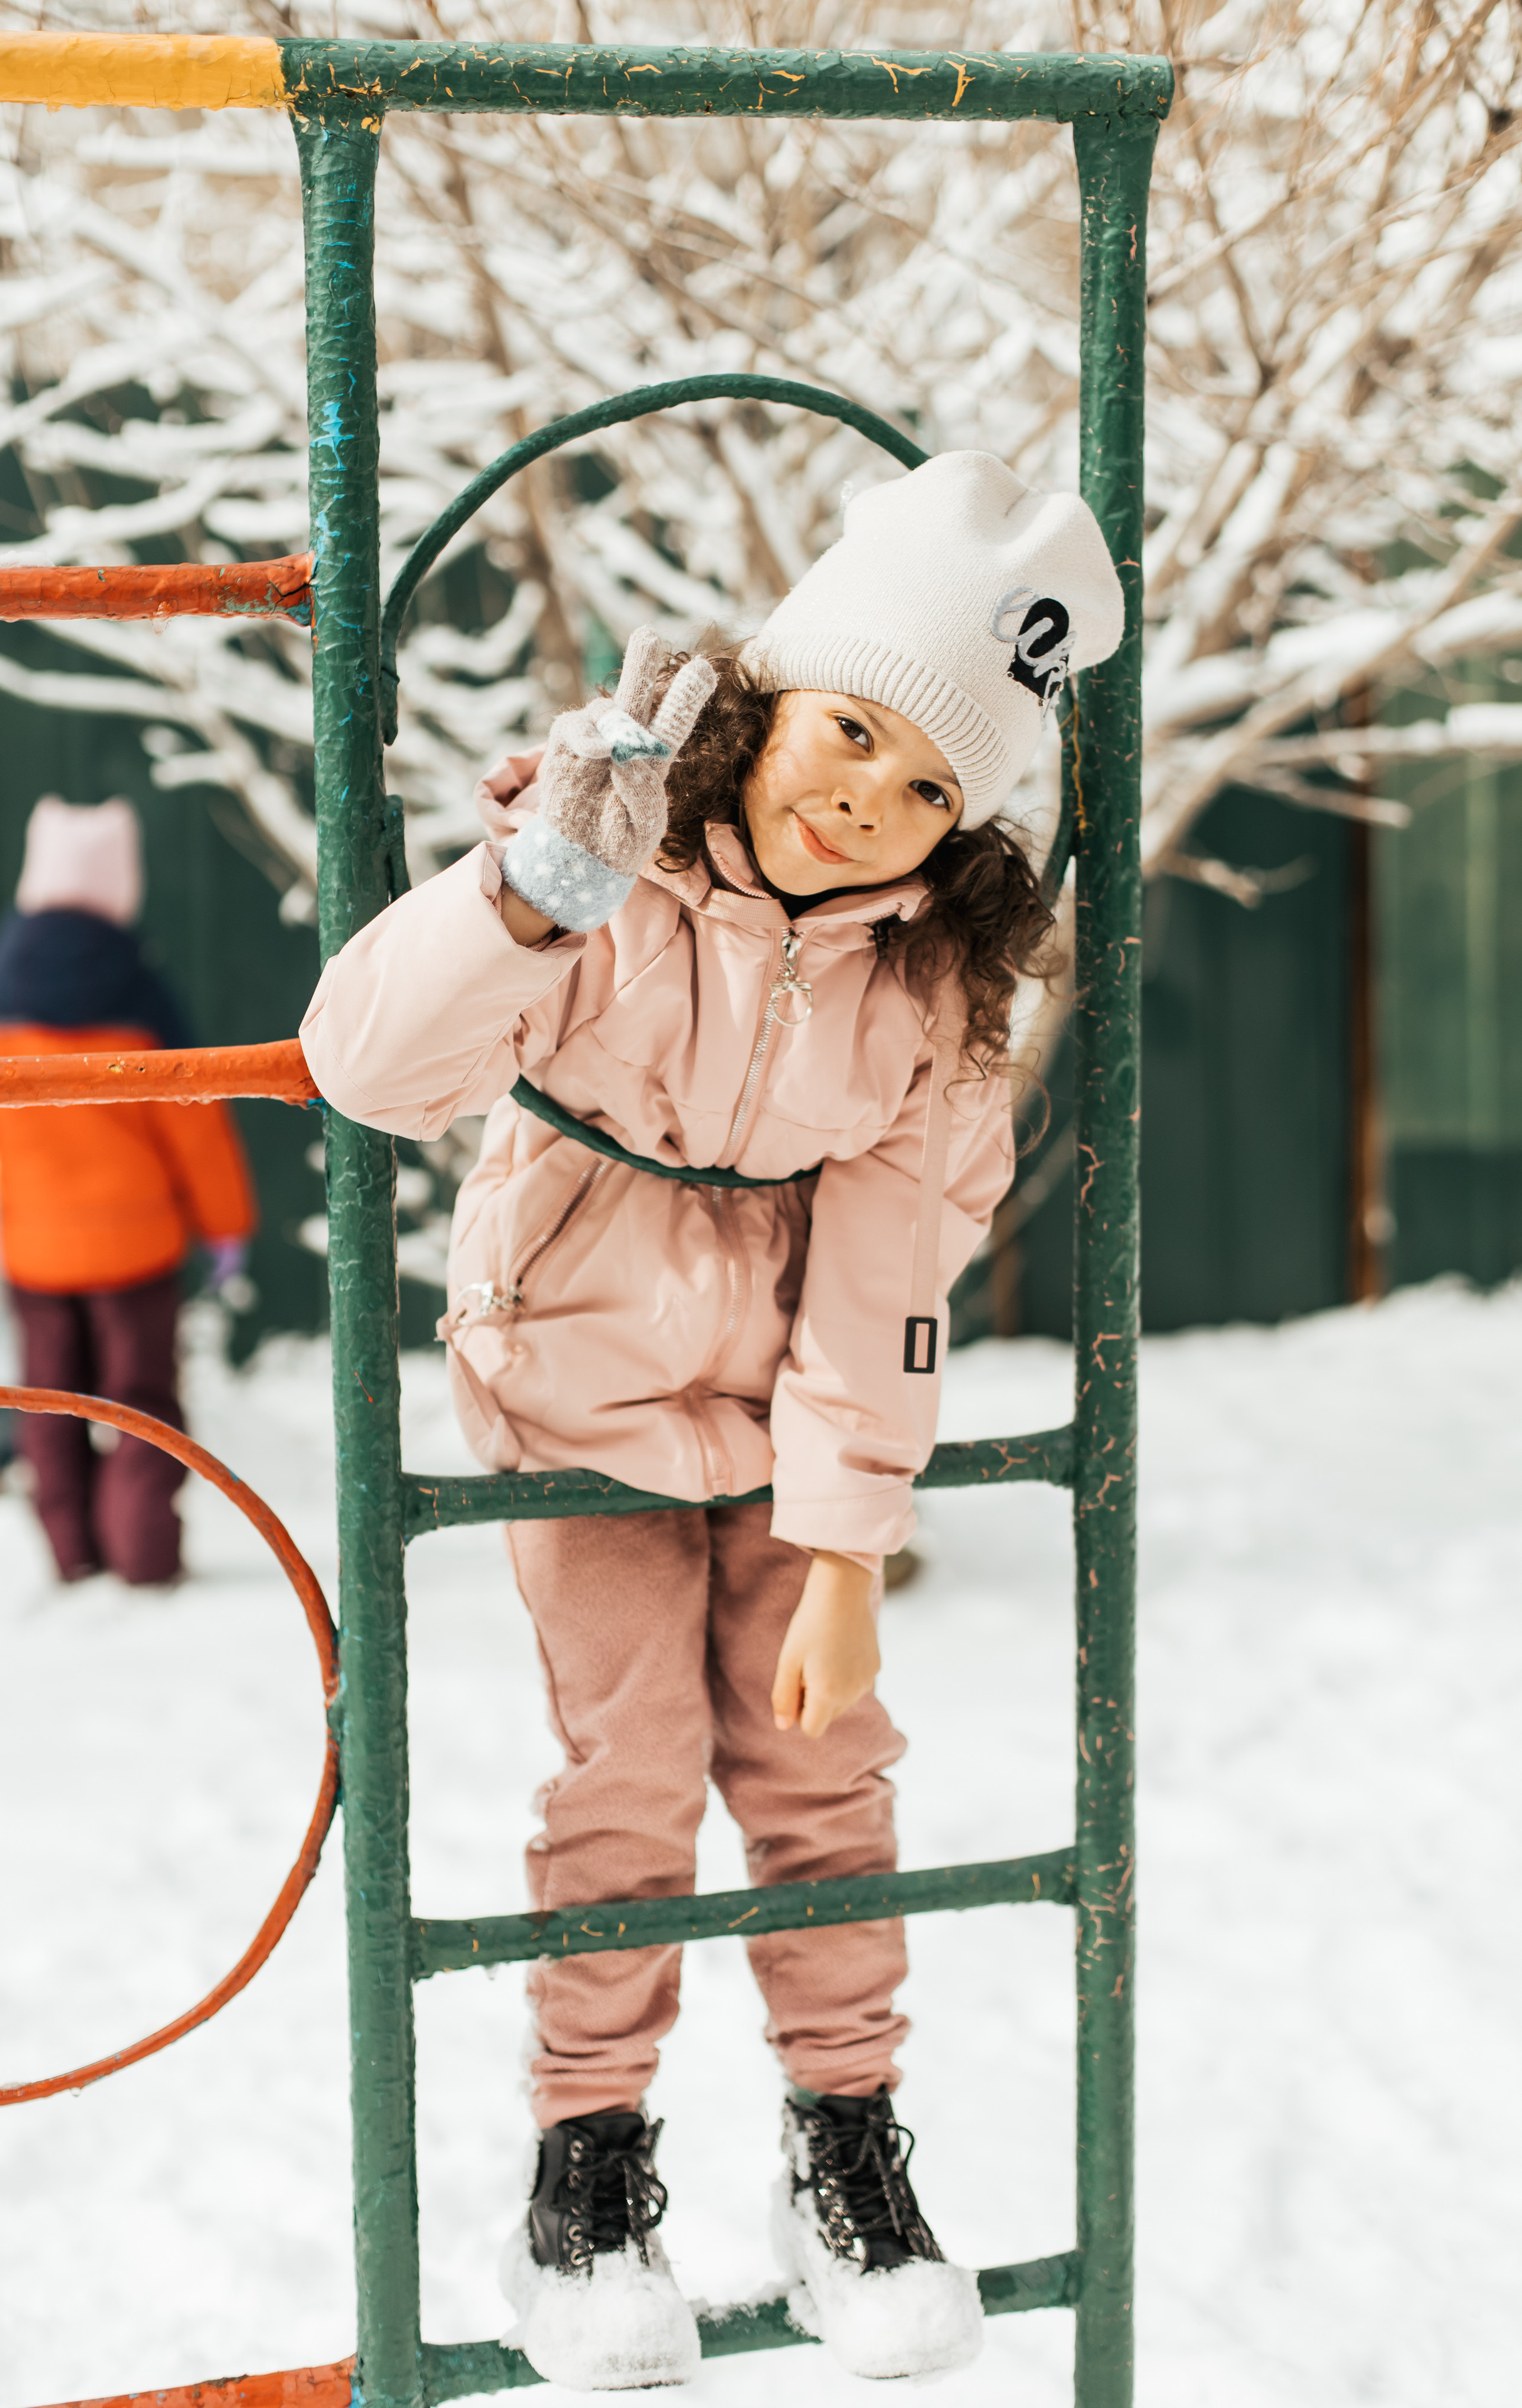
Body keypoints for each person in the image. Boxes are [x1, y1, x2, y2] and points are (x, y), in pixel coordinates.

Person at [300, 453, 1123, 2388]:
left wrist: (846, 1543)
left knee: (827, 1778)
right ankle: (586, 2173)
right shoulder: (617, 865)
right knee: (634, 1771)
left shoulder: (925, 980)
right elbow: (369, 1063)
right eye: (851, 731)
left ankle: (846, 2154)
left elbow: (891, 1258)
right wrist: (531, 893)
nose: (870, 802)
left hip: (782, 1425)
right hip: (573, 1392)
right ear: (767, 699)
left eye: (931, 786)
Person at [0, 795, 256, 1587]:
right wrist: (227, 1225)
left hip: (38, 1256)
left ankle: (72, 1555)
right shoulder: (141, 997)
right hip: (138, 1252)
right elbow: (196, 1124)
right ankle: (145, 1559)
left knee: (49, 1405)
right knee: (142, 1405)